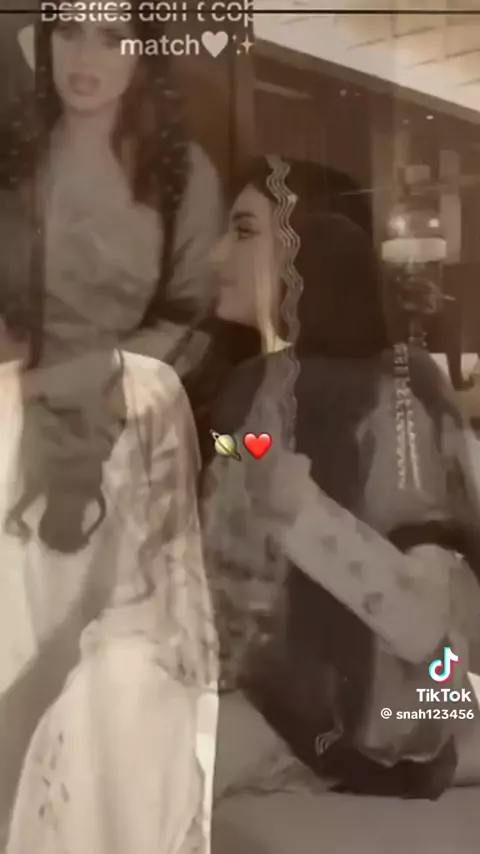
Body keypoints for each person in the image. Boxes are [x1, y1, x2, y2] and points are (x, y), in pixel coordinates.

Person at [0, 6, 219, 852]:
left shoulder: (180, 173)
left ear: (143, 55)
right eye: (69, 32)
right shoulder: (15, 157)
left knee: (96, 681)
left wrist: (86, 382)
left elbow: (189, 318)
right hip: (12, 428)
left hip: (127, 435)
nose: (84, 57)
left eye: (112, 37)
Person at [201, 155, 480, 805]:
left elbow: (426, 621)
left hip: (379, 719)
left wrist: (298, 510)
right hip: (275, 703)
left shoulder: (402, 391)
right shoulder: (243, 396)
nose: (217, 255)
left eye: (244, 231)